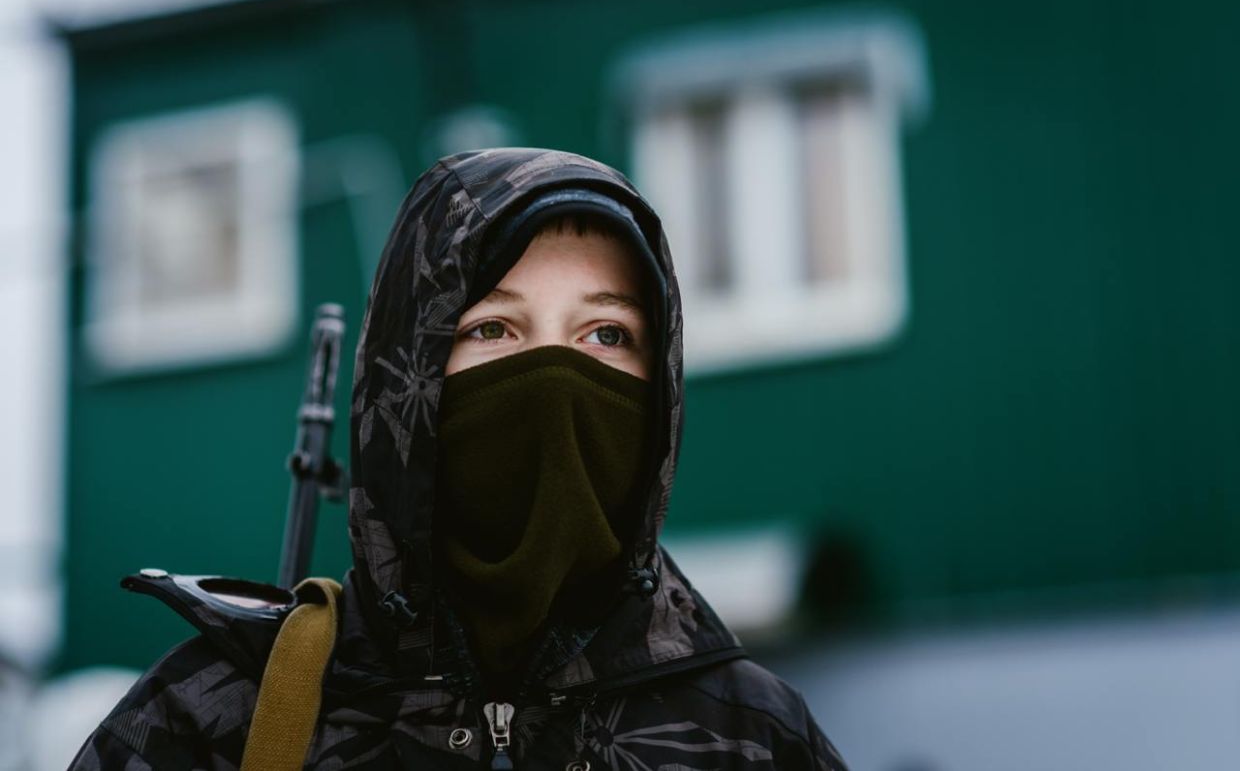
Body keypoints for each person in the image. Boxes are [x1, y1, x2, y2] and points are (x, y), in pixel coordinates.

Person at [70, 148, 848, 770]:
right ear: (407, 371)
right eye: (493, 330)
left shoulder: (752, 736)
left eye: (606, 335)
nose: (554, 378)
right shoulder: (208, 719)